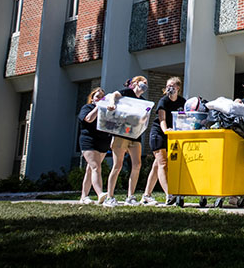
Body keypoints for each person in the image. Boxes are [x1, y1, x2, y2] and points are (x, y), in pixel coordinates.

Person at [103, 75, 149, 207]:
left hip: (135, 135)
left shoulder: (143, 101)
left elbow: (143, 117)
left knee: (137, 165)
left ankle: (130, 196)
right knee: (117, 165)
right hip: (121, 133)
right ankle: (109, 197)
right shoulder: (126, 93)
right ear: (135, 83)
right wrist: (112, 103)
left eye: (146, 83)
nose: (144, 85)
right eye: (142, 82)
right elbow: (113, 95)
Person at [141, 76, 185, 206]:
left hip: (171, 135)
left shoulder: (182, 101)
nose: (169, 88)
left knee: (156, 166)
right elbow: (162, 119)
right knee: (163, 164)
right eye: (167, 86)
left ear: (178, 87)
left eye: (172, 85)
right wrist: (166, 131)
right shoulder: (163, 101)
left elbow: (185, 117)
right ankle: (169, 194)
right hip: (159, 134)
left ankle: (146, 195)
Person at [78, 87, 112, 204]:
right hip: (89, 141)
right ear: (92, 99)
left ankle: (84, 197)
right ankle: (100, 193)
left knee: (90, 169)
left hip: (102, 142)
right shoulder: (87, 108)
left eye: (102, 97)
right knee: (96, 167)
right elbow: (88, 119)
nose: (100, 99)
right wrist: (98, 106)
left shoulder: (106, 111)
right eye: (97, 97)